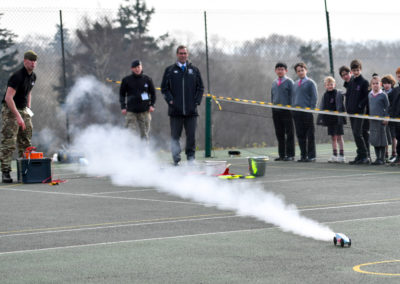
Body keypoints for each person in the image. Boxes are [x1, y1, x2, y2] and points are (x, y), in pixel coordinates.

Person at [161, 45, 204, 165]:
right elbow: (164, 89)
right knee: (175, 137)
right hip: (175, 112)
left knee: (191, 136)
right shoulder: (169, 70)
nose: (183, 55)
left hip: (191, 111)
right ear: (177, 54)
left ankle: (191, 158)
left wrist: (196, 101)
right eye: (180, 53)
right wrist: (170, 101)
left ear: (188, 54)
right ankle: (176, 159)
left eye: (185, 53)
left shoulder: (194, 70)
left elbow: (200, 87)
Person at [0, 50, 37, 183]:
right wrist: (18, 116)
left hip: (23, 109)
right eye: (30, 60)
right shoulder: (17, 76)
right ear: (24, 61)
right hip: (10, 110)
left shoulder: (33, 77)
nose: (33, 63)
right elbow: (8, 98)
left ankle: (25, 170)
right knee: (9, 141)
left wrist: (28, 109)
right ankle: (5, 172)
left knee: (26, 139)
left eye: (34, 61)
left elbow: (29, 93)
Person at [119, 59, 156, 141]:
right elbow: (122, 94)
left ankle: (144, 151)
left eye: (138, 67)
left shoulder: (148, 79)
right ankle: (130, 151)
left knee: (145, 133)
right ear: (132, 69)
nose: (137, 69)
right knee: (129, 133)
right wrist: (123, 107)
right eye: (135, 67)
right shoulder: (126, 80)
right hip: (131, 111)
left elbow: (153, 94)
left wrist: (152, 105)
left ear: (141, 67)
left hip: (145, 111)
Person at [345, 60, 370, 165]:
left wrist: (360, 105)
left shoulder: (364, 82)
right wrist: (348, 107)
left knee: (357, 133)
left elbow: (367, 96)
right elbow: (348, 96)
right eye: (354, 70)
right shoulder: (351, 82)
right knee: (356, 134)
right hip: (351, 112)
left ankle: (365, 155)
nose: (356, 72)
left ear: (360, 70)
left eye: (357, 70)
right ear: (351, 71)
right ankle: (360, 155)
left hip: (360, 112)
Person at [292, 62, 318, 162]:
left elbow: (314, 97)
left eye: (302, 70)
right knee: (300, 134)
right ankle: (303, 155)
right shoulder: (295, 84)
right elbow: (293, 98)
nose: (300, 72)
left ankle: (311, 156)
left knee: (310, 134)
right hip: (297, 113)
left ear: (306, 70)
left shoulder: (311, 83)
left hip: (307, 112)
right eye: (298, 71)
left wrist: (311, 109)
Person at [317, 76, 346, 163]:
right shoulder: (325, 95)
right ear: (325, 86)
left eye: (331, 84)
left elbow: (343, 98)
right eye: (328, 85)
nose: (330, 86)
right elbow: (322, 107)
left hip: (338, 120)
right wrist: (321, 118)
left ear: (334, 84)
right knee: (333, 138)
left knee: (339, 137)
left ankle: (342, 156)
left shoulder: (338, 93)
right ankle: (334, 155)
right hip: (330, 120)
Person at [270, 62, 295, 161]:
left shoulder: (289, 82)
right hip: (276, 111)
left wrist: (292, 109)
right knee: (279, 133)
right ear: (275, 71)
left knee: (289, 133)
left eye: (282, 69)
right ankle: (282, 154)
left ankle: (290, 155)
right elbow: (272, 96)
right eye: (278, 69)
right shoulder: (274, 82)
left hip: (287, 111)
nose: (280, 71)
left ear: (286, 71)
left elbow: (293, 96)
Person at [368, 75, 389, 165]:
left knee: (382, 140)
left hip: (381, 121)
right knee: (375, 139)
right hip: (373, 121)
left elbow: (388, 107)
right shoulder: (370, 95)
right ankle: (377, 158)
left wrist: (386, 117)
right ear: (371, 85)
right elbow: (369, 107)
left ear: (380, 84)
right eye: (373, 84)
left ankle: (382, 158)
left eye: (377, 83)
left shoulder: (383, 95)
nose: (375, 85)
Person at [381, 74, 398, 162]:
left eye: (388, 83)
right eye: (384, 83)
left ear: (391, 83)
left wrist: (389, 116)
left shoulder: (394, 92)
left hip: (393, 117)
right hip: (383, 118)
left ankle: (394, 153)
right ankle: (386, 153)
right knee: (385, 135)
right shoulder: (381, 93)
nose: (386, 85)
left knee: (393, 136)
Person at [391, 67, 400, 164]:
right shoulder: (395, 90)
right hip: (396, 119)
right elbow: (392, 105)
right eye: (398, 76)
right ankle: (398, 157)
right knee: (398, 137)